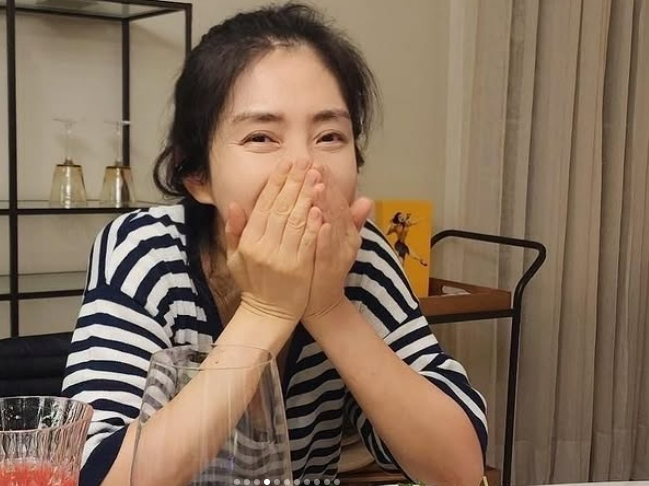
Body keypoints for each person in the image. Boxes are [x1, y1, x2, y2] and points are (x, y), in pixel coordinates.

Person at [62, 3, 488, 486]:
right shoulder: (145, 250)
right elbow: (94, 475)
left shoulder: (361, 255)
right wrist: (267, 310)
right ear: (197, 174)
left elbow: (458, 469)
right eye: (262, 137)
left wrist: (328, 307)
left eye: (330, 136)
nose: (306, 167)